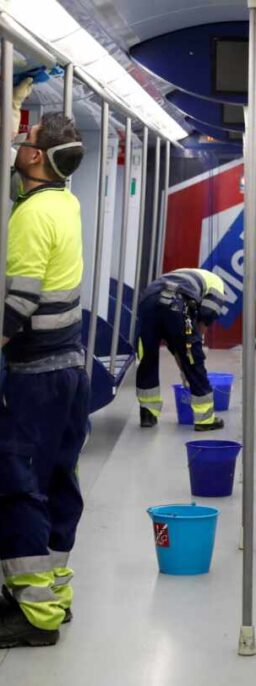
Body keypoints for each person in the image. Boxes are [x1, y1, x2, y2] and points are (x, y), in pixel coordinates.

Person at [0, 110, 87, 649]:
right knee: (58, 481)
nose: (16, 144)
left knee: (19, 485)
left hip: (36, 375)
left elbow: (21, 301)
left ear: (34, 156)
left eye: (23, 139)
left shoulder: (31, 215)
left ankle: (35, 617)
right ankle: (54, 594)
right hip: (70, 369)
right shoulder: (65, 202)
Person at [135, 267, 226, 430]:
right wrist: (191, 353)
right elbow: (205, 316)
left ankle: (148, 414)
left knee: (148, 359)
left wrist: (183, 367)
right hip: (177, 302)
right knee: (193, 359)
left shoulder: (182, 274)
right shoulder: (218, 285)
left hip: (148, 301)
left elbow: (175, 343)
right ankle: (205, 420)